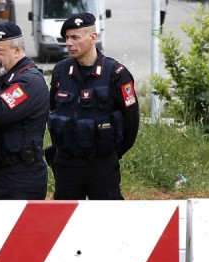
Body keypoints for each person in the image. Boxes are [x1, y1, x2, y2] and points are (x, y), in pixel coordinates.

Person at [46, 12, 140, 200]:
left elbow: (131, 122)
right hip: (67, 165)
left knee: (106, 222)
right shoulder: (61, 71)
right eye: (67, 38)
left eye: (75, 37)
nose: (69, 43)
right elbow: (53, 108)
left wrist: (112, 153)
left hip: (101, 165)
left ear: (93, 38)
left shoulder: (116, 74)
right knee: (64, 222)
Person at [0, 22, 49, 200]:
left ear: (16, 50)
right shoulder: (9, 79)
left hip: (20, 178)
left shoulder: (28, 82)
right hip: (1, 174)